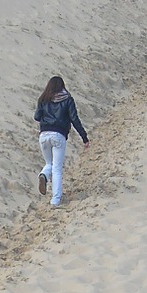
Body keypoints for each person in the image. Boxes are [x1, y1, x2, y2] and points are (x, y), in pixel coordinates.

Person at [34, 75, 89, 207]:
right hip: (58, 135)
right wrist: (84, 137)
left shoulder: (43, 98)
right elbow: (74, 119)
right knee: (57, 169)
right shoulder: (68, 99)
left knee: (49, 163)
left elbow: (36, 117)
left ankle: (44, 175)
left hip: (44, 135)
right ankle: (55, 200)